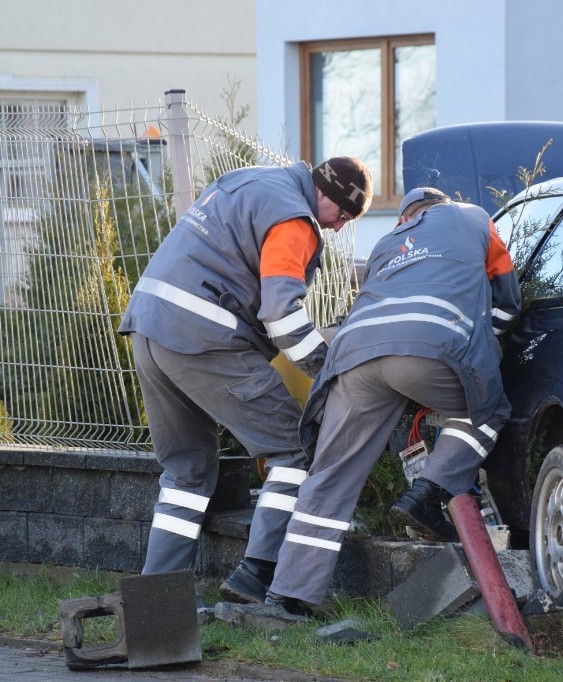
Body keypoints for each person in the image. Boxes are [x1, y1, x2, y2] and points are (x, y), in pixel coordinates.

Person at [117, 156, 373, 605]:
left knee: (187, 473)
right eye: (345, 217)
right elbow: (281, 313)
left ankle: (155, 601)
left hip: (148, 325)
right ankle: (255, 575)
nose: (336, 229)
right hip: (204, 335)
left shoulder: (249, 180)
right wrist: (327, 370)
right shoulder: (295, 218)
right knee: (292, 450)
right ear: (330, 198)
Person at [262, 187, 522, 614]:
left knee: (329, 476)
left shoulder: (387, 244)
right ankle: (430, 492)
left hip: (354, 357)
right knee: (485, 410)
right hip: (431, 347)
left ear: (405, 218)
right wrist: (475, 355)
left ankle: (289, 595)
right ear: (442, 206)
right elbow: (507, 306)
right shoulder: (474, 218)